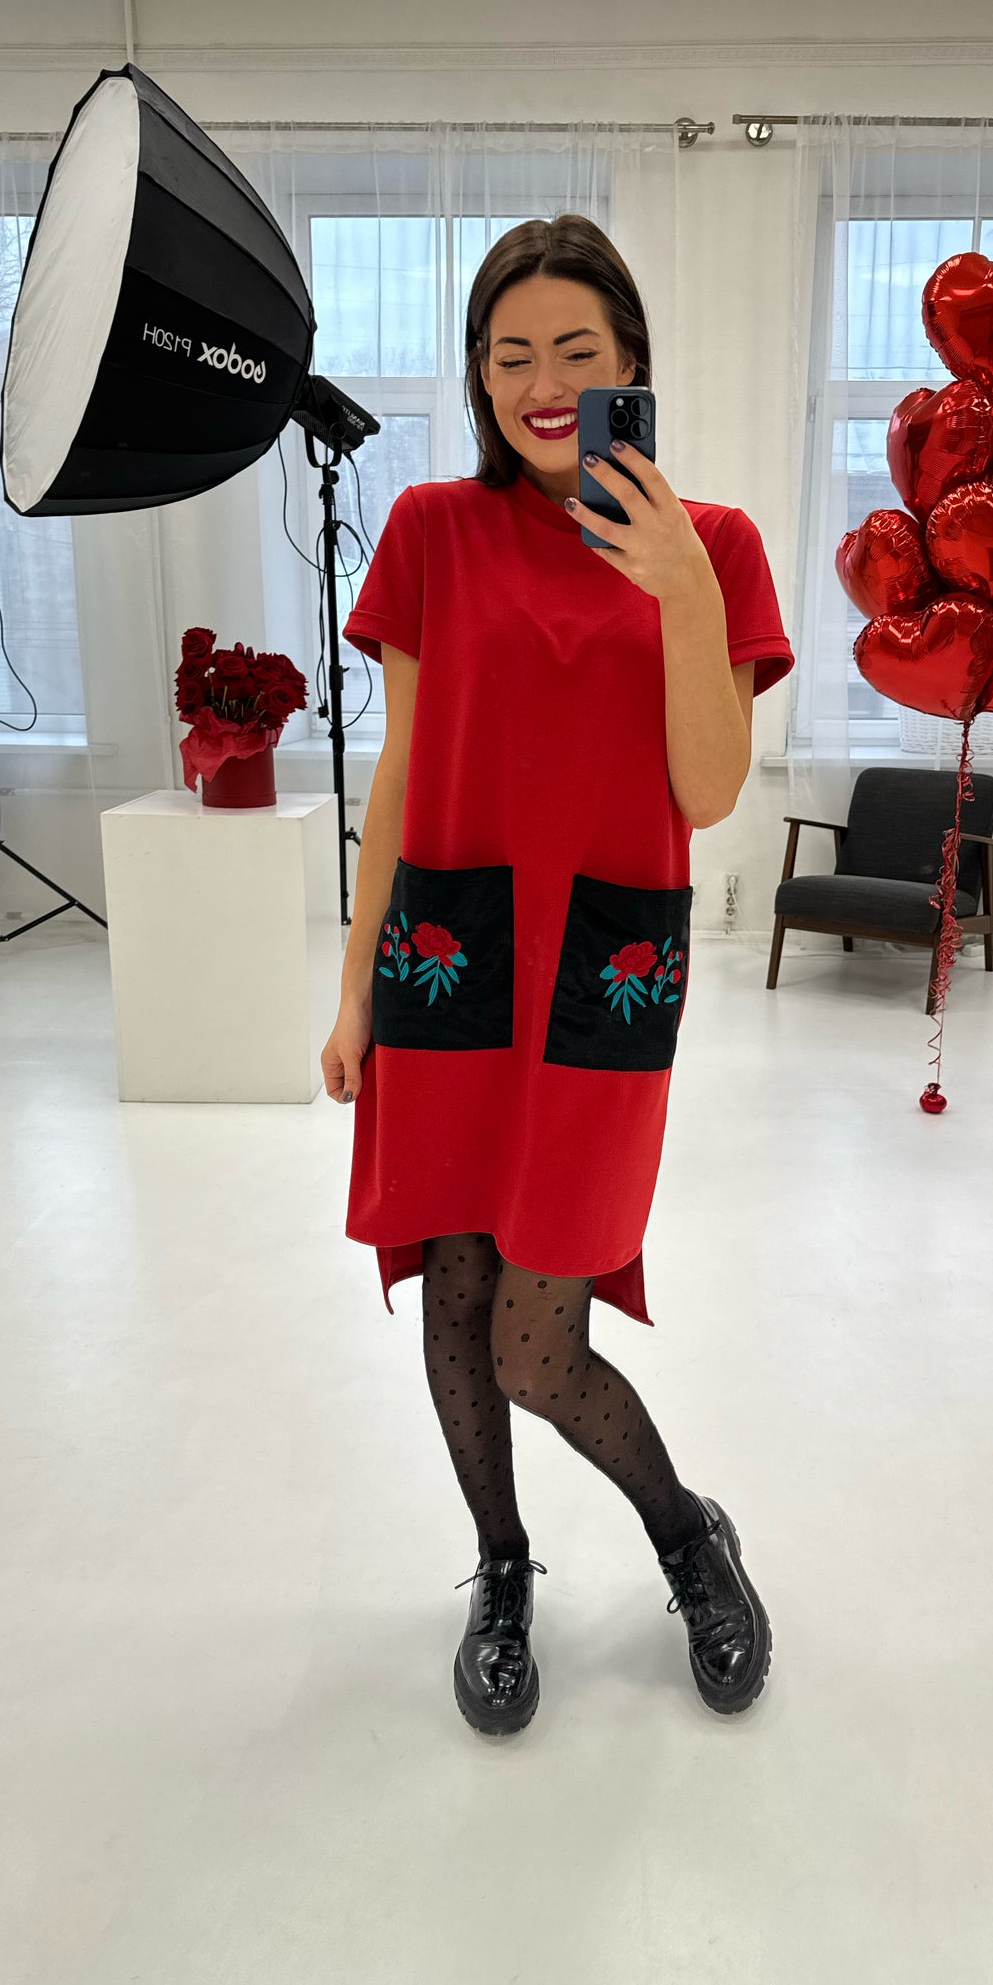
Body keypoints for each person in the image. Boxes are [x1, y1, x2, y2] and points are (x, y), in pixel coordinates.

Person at [321, 215, 794, 1736]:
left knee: (541, 1337)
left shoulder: (709, 543)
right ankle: (502, 1566)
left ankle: (683, 1532)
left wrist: (677, 588)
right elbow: (401, 776)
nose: (542, 381)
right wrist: (349, 991)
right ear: (476, 371)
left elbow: (711, 791)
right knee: (455, 1300)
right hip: (448, 961)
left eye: (576, 353)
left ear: (631, 364)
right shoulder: (429, 533)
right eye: (510, 352)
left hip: (603, 977)